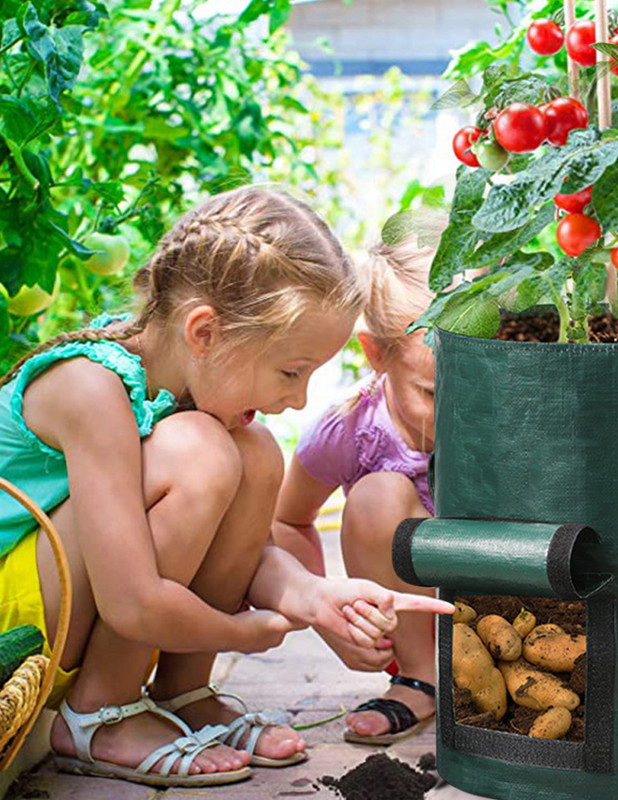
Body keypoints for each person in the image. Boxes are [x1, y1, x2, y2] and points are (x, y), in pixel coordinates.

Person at [0, 187, 453, 788]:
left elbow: (240, 556)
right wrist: (240, 632)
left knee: (256, 453)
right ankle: (99, 713)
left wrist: (312, 596)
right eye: (290, 372)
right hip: (17, 622)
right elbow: (132, 599)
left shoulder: (174, 385)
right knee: (206, 452)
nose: (296, 401)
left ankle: (183, 693)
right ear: (205, 332)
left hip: (63, 602)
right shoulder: (90, 390)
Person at [272, 236, 438, 745]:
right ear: (376, 354)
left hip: (497, 600)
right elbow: (287, 521)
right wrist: (326, 615)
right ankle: (422, 678)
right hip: (421, 619)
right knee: (375, 496)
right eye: (432, 393)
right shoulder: (350, 428)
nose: (460, 408)